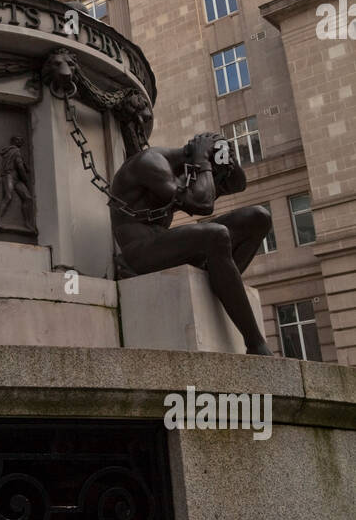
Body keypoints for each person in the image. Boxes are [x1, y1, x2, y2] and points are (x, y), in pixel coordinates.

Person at [109, 129, 273, 355]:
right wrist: (202, 160)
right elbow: (204, 205)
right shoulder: (152, 163)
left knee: (258, 217)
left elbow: (238, 185)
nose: (212, 186)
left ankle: (219, 279)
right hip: (137, 252)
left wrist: (225, 153)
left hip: (164, 244)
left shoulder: (188, 169)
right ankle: (255, 343)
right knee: (216, 234)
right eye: (212, 177)